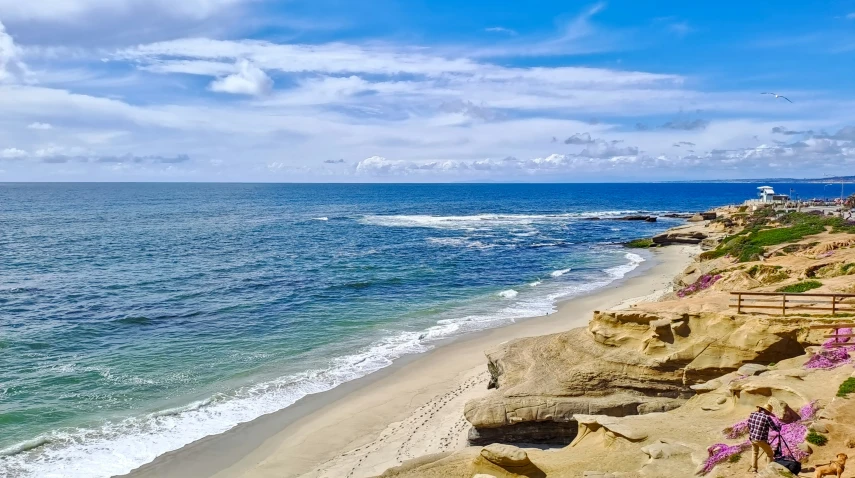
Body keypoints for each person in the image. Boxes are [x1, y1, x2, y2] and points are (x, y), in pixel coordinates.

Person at [747, 401, 781, 472]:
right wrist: (779, 427)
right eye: (769, 411)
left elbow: (749, 425)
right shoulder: (766, 417)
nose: (769, 413)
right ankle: (769, 470)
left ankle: (754, 469)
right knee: (770, 454)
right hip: (760, 439)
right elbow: (775, 428)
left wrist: (753, 433)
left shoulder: (753, 414)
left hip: (752, 437)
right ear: (766, 411)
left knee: (755, 453)